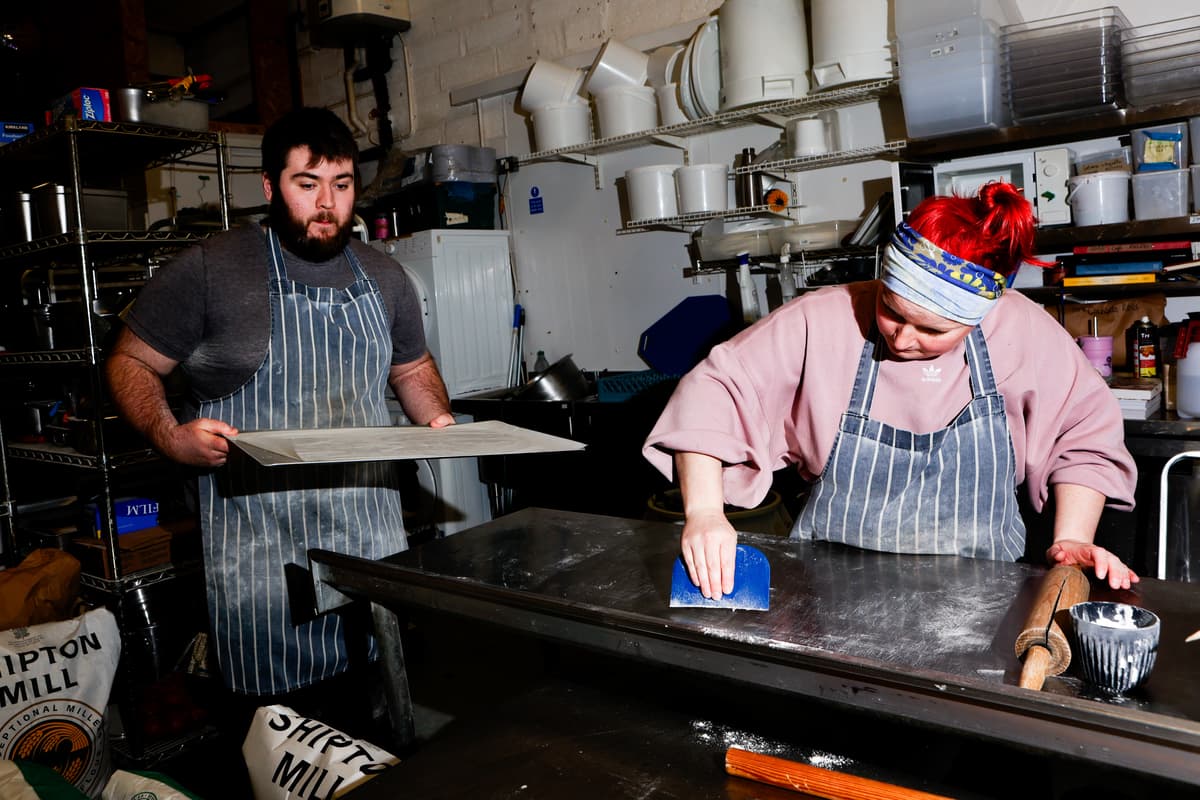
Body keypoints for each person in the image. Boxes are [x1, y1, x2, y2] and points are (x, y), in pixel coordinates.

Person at [106, 107, 454, 734]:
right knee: (276, 742)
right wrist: (170, 436)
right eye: (307, 184)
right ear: (270, 188)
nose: (328, 204)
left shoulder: (385, 277)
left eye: (342, 185)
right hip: (262, 549)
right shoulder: (212, 270)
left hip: (367, 538)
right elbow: (130, 362)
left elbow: (412, 367)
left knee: (378, 722)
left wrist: (440, 419)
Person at [643, 182, 1139, 600]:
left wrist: (1073, 537)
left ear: (981, 314)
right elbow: (715, 391)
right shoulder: (822, 319)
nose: (901, 338)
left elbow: (1084, 434)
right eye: (891, 310)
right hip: (827, 593)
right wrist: (706, 514)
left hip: (986, 600)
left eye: (933, 330)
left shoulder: (1021, 331)